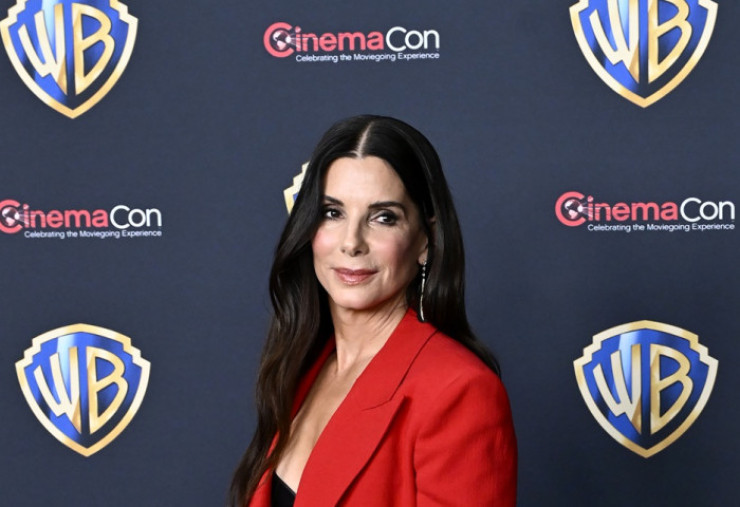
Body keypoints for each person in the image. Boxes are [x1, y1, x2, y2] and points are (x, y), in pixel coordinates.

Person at [229, 115, 517, 506]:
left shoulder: (460, 391)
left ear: (426, 241)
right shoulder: (304, 365)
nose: (352, 242)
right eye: (333, 212)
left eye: (383, 217)